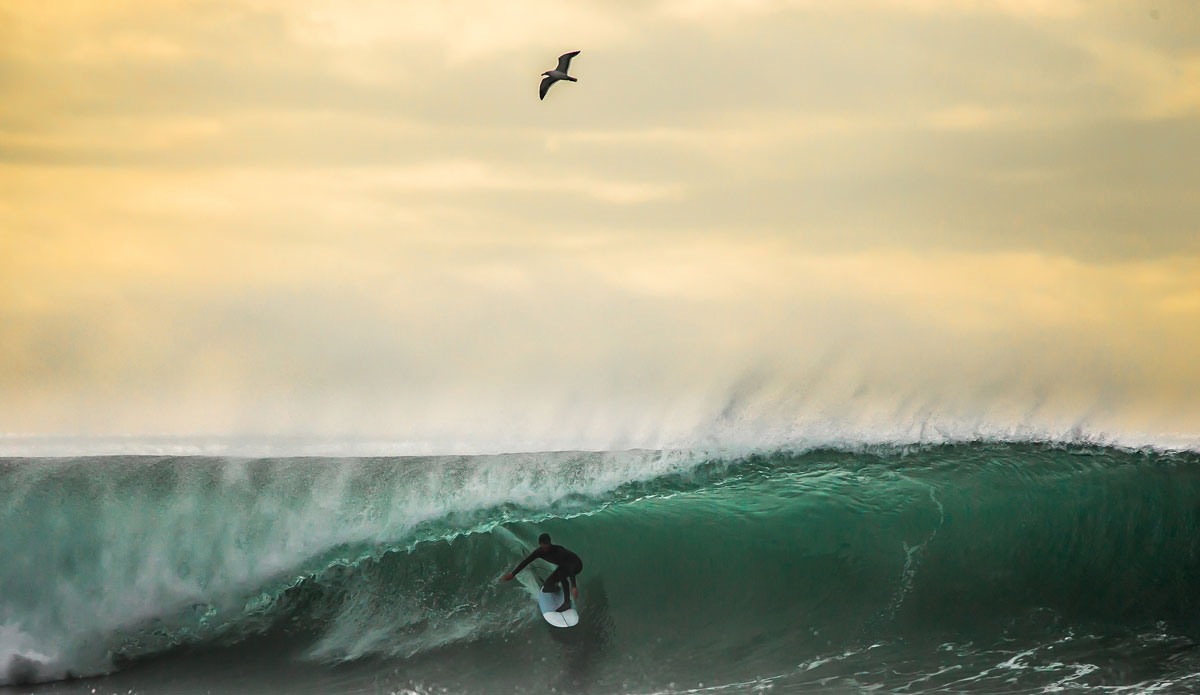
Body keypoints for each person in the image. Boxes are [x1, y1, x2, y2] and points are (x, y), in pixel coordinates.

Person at [501, 533, 583, 611]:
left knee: (562, 574)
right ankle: (557, 588)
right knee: (546, 587)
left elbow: (569, 567)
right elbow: (526, 561)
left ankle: (567, 603)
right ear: (540, 544)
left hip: (575, 564)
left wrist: (573, 586)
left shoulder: (559, 551)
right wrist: (512, 574)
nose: (546, 547)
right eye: (544, 545)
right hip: (564, 566)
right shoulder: (539, 552)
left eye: (548, 544)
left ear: (550, 542)